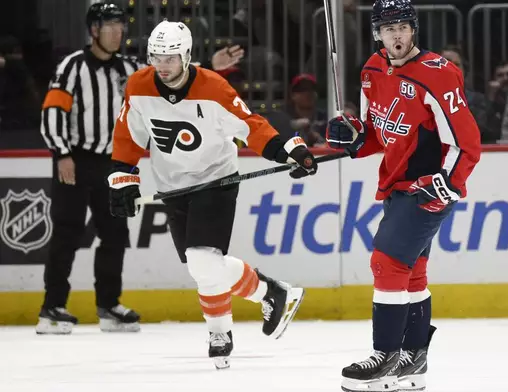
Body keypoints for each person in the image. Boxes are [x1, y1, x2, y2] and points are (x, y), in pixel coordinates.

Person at [107, 20, 315, 369]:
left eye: (171, 58)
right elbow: (129, 134)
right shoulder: (139, 86)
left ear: (187, 56)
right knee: (200, 266)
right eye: (157, 57)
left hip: (215, 181)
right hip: (172, 186)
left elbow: (251, 126)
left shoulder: (214, 88)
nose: (163, 66)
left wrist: (290, 150)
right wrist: (123, 178)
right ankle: (269, 294)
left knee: (204, 260)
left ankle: (221, 330)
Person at [326, 0, 481, 391]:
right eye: (387, 28)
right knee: (411, 272)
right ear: (377, 33)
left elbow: (468, 142)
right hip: (395, 185)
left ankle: (385, 356)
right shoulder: (372, 71)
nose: (396, 35)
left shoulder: (439, 74)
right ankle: (414, 361)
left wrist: (447, 183)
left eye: (402, 27)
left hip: (427, 188)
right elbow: (377, 136)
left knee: (386, 263)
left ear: (414, 29)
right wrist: (352, 139)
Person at [37, 2, 142, 335]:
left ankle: (108, 304)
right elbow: (53, 110)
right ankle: (52, 307)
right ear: (94, 30)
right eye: (110, 25)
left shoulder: (129, 68)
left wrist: (208, 66)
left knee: (115, 234)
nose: (118, 32)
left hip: (112, 163)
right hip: (76, 159)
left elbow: (164, 76)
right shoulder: (71, 66)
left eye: (121, 25)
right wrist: (62, 153)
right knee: (67, 233)